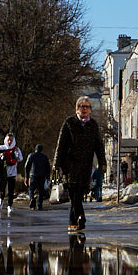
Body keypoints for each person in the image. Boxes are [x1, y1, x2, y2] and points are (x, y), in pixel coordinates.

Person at [52, 97, 106, 233]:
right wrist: (56, 164)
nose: (84, 109)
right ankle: (81, 217)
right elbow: (61, 144)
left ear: (90, 110)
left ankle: (73, 222)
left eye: (87, 107)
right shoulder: (69, 123)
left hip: (85, 165)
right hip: (69, 165)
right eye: (82, 106)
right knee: (73, 192)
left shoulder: (93, 125)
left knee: (78, 193)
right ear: (77, 108)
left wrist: (102, 162)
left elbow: (99, 145)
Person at [0, 132, 23, 214]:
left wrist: (17, 153)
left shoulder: (16, 149)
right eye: (8, 140)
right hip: (3, 172)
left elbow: (20, 159)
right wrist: (1, 155)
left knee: (11, 190)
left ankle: (10, 205)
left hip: (12, 172)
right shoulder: (2, 147)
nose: (9, 141)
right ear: (5, 140)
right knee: (2, 188)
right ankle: (1, 199)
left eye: (11, 140)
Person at [26, 143, 51, 211]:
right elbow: (48, 167)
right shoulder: (45, 157)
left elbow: (27, 166)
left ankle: (32, 199)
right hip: (42, 175)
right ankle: (39, 205)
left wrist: (27, 176)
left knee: (31, 189)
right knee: (41, 190)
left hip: (33, 175)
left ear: (35, 149)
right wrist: (48, 176)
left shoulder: (31, 155)